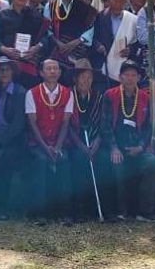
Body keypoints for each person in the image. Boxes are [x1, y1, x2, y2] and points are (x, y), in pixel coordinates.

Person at [101, 61, 155, 222]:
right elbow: (105, 125)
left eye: (133, 75)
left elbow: (148, 127)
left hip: (137, 147)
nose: (130, 78)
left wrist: (140, 147)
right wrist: (113, 147)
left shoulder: (145, 97)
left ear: (139, 78)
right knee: (117, 164)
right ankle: (121, 211)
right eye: (126, 75)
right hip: (117, 147)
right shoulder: (110, 95)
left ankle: (145, 211)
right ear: (120, 77)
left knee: (152, 163)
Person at [25, 59, 74, 224]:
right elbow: (32, 124)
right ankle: (40, 213)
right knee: (41, 161)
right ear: (41, 73)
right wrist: (46, 148)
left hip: (58, 142)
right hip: (38, 143)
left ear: (60, 72)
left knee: (64, 161)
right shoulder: (32, 93)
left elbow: (66, 122)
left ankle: (65, 212)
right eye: (49, 68)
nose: (52, 71)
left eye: (55, 68)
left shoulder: (67, 93)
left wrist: (57, 147)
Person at [0, 57, 27, 220]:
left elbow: (18, 124)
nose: (4, 73)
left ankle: (2, 207)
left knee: (5, 163)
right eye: (0, 70)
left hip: (12, 140)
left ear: (13, 72)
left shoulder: (20, 92)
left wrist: (2, 141)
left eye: (7, 69)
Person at [67, 59, 107, 221]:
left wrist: (97, 142)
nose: (86, 81)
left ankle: (100, 208)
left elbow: (103, 123)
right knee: (78, 160)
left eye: (89, 77)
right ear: (75, 79)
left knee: (104, 160)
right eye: (82, 77)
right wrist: (81, 146)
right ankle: (78, 208)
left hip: (94, 141)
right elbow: (66, 126)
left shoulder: (98, 97)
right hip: (74, 142)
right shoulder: (68, 95)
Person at [0, 0, 49, 85]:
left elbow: (45, 38)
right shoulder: (1, 15)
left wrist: (36, 48)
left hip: (28, 62)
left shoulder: (36, 15)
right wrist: (5, 49)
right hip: (7, 62)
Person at [44, 0, 97, 68]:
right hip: (55, 51)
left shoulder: (87, 9)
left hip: (77, 52)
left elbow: (91, 29)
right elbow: (46, 28)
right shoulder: (50, 6)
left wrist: (77, 41)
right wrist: (59, 43)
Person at [91, 0, 137, 85]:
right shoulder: (99, 17)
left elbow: (138, 42)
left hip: (124, 67)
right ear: (109, 0)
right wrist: (98, 46)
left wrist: (130, 49)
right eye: (114, 0)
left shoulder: (132, 19)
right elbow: (91, 37)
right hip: (102, 65)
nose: (118, 4)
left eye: (121, 1)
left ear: (125, 2)